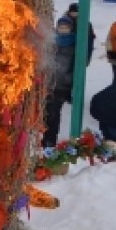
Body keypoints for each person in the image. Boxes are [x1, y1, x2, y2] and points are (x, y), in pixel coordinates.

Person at [43, 16, 76, 148]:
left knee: (53, 113)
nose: (62, 30)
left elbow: (76, 66)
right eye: (60, 27)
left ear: (70, 29)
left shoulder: (74, 44)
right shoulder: (51, 41)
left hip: (63, 86)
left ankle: (50, 141)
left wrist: (69, 79)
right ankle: (45, 139)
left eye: (65, 27)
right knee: (45, 112)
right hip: (48, 83)